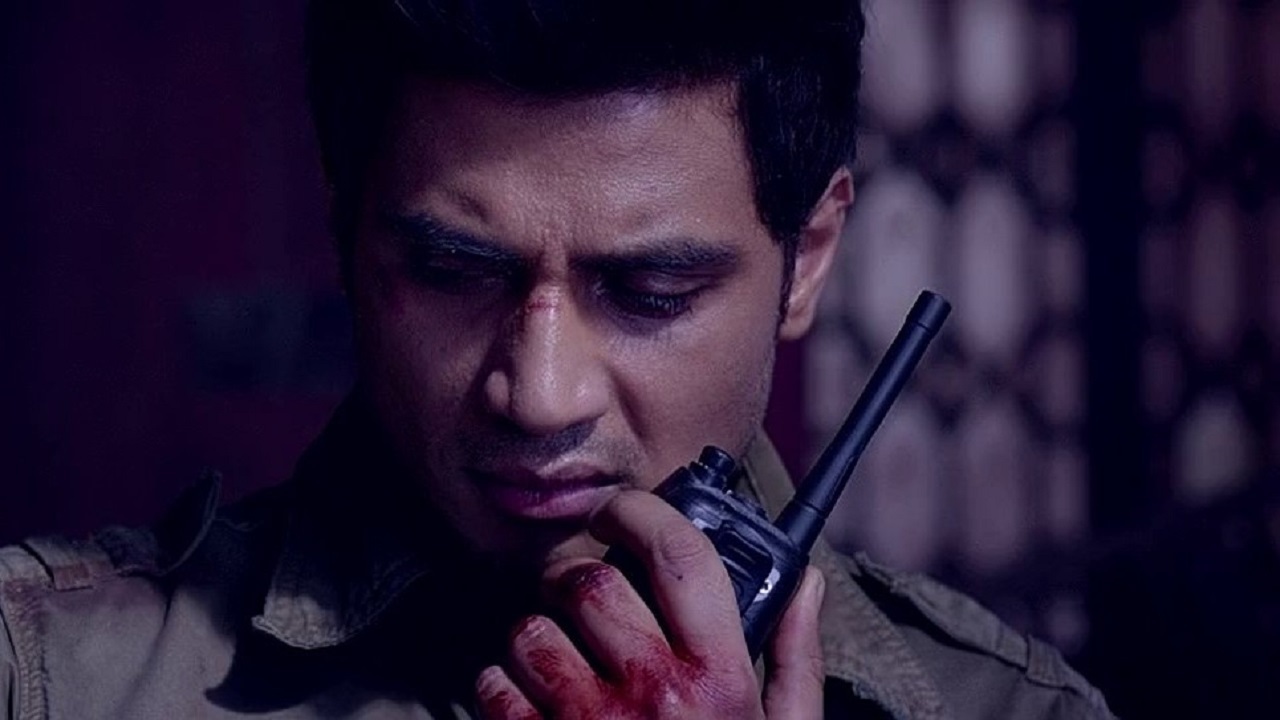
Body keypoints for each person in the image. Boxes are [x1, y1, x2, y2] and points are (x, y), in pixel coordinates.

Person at [0, 1, 1115, 717]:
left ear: (807, 260)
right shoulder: (43, 680)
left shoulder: (1013, 711)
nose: (538, 395)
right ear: (346, 234)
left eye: (651, 292)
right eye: (453, 272)